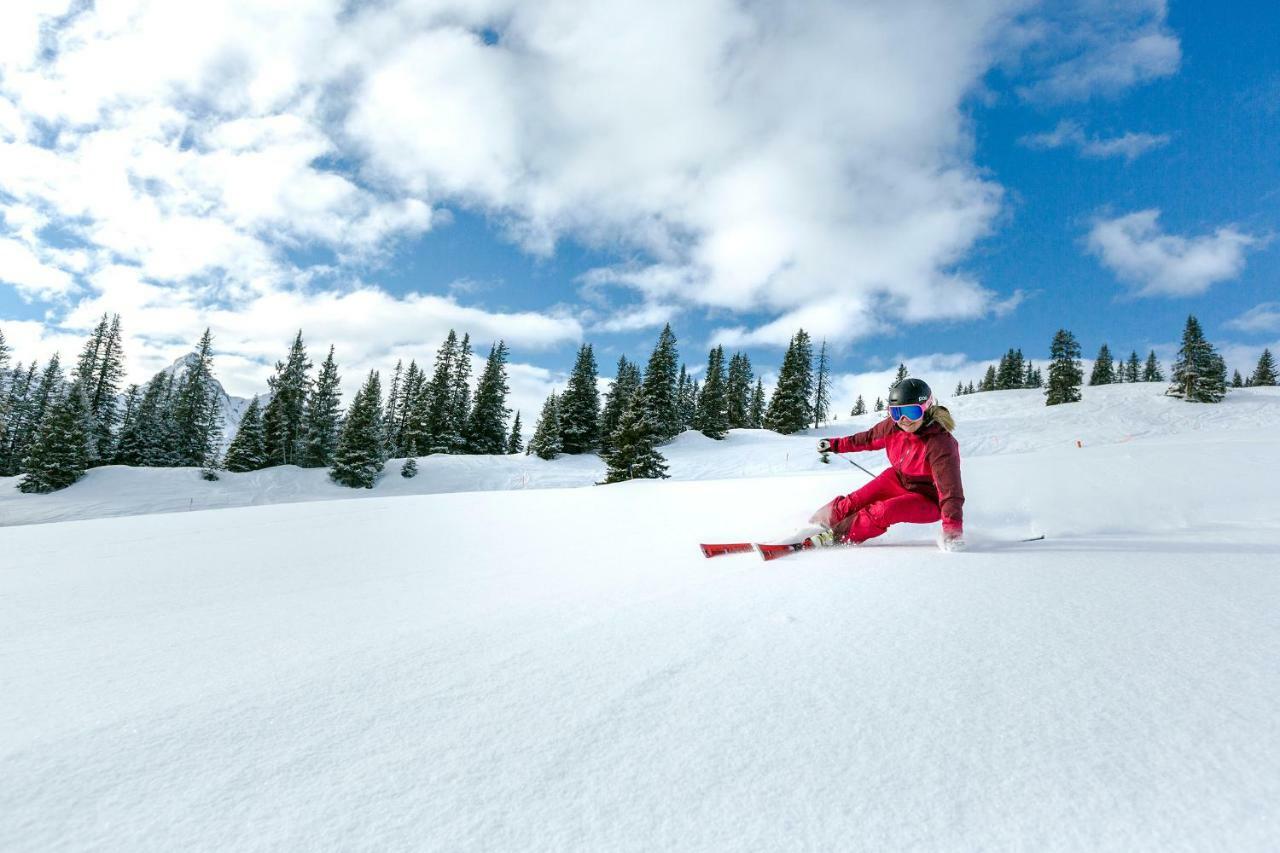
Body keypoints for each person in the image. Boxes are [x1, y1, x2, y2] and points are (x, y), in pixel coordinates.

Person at [808, 378, 966, 552]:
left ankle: (836, 536)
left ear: (926, 408)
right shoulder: (892, 427)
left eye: (912, 412)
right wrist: (835, 444)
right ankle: (817, 523)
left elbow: (950, 492)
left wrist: (952, 530)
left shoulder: (940, 444)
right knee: (854, 501)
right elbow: (866, 439)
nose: (904, 420)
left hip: (928, 498)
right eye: (897, 413)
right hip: (898, 479)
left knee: (883, 511)